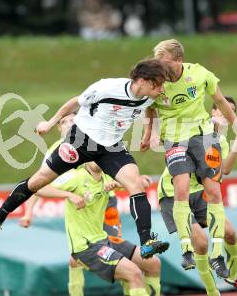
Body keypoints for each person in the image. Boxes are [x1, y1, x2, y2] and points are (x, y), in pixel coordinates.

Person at [0, 58, 174, 258]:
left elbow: (150, 109)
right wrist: (49, 124)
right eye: (158, 84)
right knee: (39, 181)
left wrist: (147, 134)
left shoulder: (151, 96)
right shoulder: (107, 87)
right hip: (81, 140)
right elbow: (75, 102)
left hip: (111, 146)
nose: (161, 89)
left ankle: (146, 242)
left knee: (135, 183)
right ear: (142, 80)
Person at [141, 39, 237, 277]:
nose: (158, 66)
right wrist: (148, 133)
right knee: (180, 188)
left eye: (163, 61)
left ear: (178, 61)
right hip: (174, 139)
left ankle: (217, 255)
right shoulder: (156, 82)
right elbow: (148, 108)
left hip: (203, 137)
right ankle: (186, 250)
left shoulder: (199, 74)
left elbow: (221, 102)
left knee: (214, 192)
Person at [19, 113, 152, 296]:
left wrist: (132, 180)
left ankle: (130, 287)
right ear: (59, 128)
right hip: (83, 203)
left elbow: (116, 162)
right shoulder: (57, 151)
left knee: (126, 263)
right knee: (82, 258)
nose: (71, 123)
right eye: (65, 121)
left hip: (106, 202)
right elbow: (40, 182)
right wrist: (29, 212)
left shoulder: (91, 136)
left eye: (74, 119)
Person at [156, 98, 237, 296]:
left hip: (200, 193)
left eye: (227, 113)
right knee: (201, 243)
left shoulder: (219, 142)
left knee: (230, 233)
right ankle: (212, 292)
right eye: (218, 111)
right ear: (210, 113)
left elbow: (224, 169)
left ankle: (233, 278)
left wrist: (236, 141)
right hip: (174, 194)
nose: (221, 115)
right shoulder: (194, 129)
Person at [35, 161, 162, 296]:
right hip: (86, 246)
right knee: (134, 273)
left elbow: (135, 183)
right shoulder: (76, 177)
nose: (96, 159)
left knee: (153, 263)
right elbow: (37, 188)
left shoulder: (107, 176)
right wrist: (69, 195)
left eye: (98, 154)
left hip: (103, 239)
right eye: (92, 155)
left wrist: (139, 181)